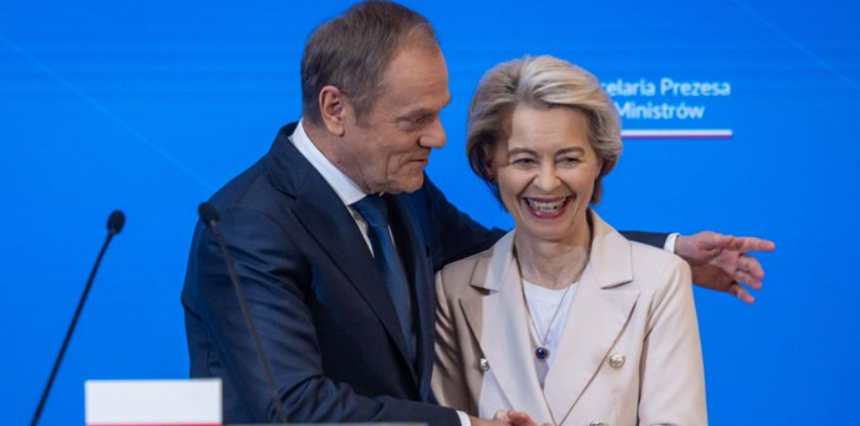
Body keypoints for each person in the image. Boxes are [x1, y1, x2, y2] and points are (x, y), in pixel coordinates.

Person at [182, 1, 772, 425]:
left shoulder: (400, 189)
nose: (438, 137)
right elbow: (292, 407)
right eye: (415, 119)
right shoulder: (245, 225)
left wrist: (666, 251)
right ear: (336, 109)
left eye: (440, 112)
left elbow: (510, 246)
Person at [432, 55, 708, 426]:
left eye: (568, 159)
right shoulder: (452, 290)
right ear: (489, 164)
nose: (547, 183)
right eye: (524, 161)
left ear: (601, 162)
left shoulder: (660, 279)